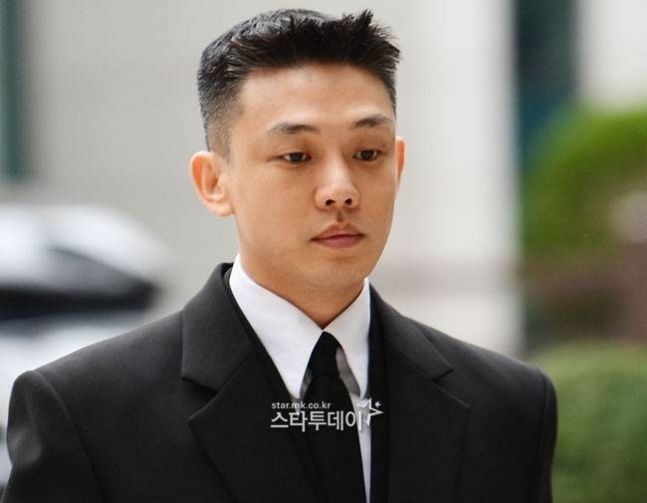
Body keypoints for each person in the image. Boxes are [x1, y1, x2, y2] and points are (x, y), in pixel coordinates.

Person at [1, 8, 557, 503]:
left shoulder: (510, 405)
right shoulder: (85, 413)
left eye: (368, 153)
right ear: (214, 182)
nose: (340, 190)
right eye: (296, 156)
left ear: (399, 165)